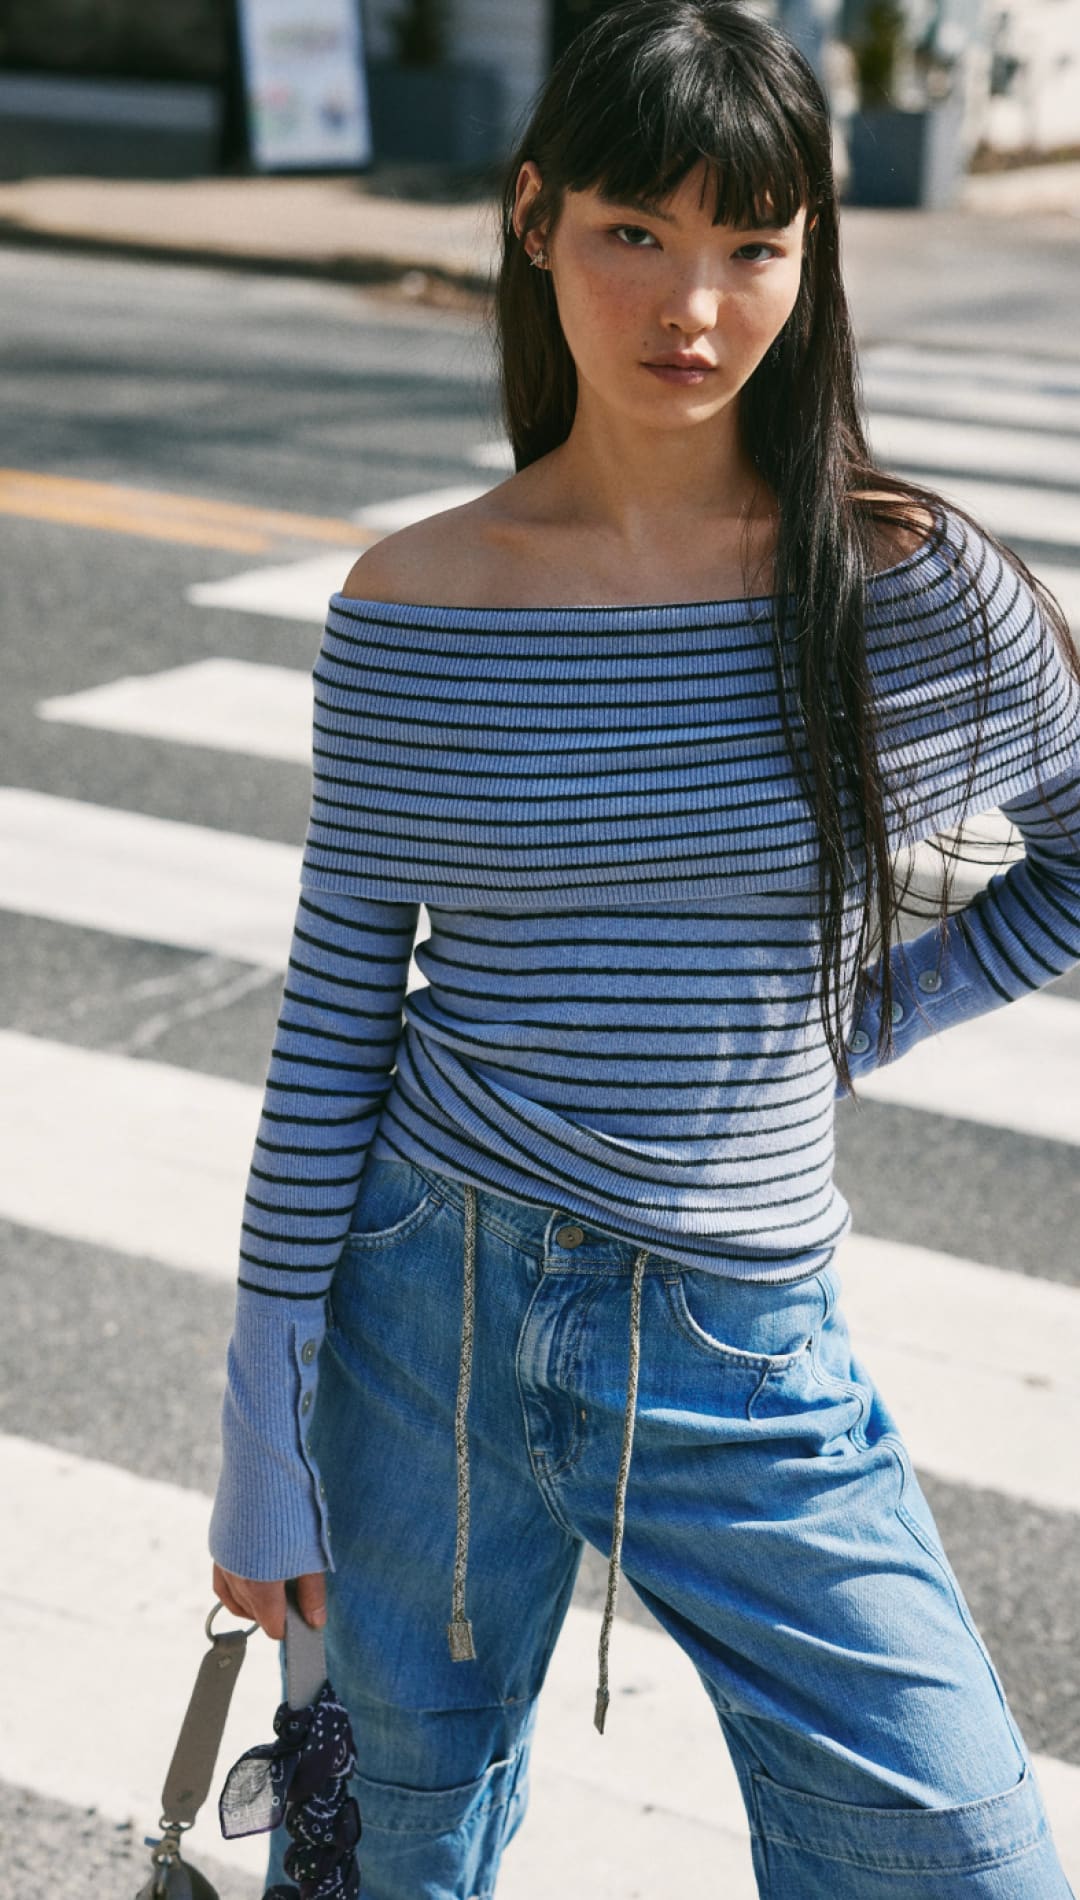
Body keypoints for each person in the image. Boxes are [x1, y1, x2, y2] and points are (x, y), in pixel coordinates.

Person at [209, 3, 1080, 1894]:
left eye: (755, 244)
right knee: (377, 1862)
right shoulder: (413, 603)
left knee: (961, 1858)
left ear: (806, 261)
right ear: (536, 221)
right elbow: (337, 1018)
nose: (698, 301)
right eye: (638, 234)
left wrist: (878, 1007)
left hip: (737, 1340)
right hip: (416, 1307)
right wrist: (260, 1429)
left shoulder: (906, 584)